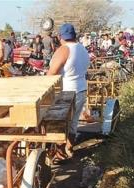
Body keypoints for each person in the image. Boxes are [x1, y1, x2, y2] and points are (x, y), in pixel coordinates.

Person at [47, 23, 90, 160]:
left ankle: (60, 154)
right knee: (73, 123)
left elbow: (52, 73)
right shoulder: (82, 49)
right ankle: (70, 149)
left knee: (59, 125)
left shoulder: (64, 49)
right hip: (81, 89)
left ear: (60, 37)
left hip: (67, 92)